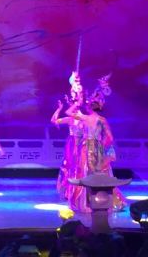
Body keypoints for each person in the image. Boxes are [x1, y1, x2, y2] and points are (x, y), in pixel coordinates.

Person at [66, 74, 126, 213]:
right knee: (99, 173)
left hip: (85, 147)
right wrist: (101, 147)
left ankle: (86, 202)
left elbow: (68, 112)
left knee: (84, 173)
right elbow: (110, 138)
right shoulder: (102, 120)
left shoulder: (85, 118)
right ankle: (103, 200)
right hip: (97, 147)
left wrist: (76, 103)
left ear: (90, 107)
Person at [52, 71, 86, 206]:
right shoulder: (70, 119)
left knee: (81, 167)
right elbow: (54, 121)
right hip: (72, 144)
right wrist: (59, 109)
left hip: (82, 144)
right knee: (70, 166)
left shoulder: (84, 118)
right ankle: (69, 191)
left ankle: (81, 192)